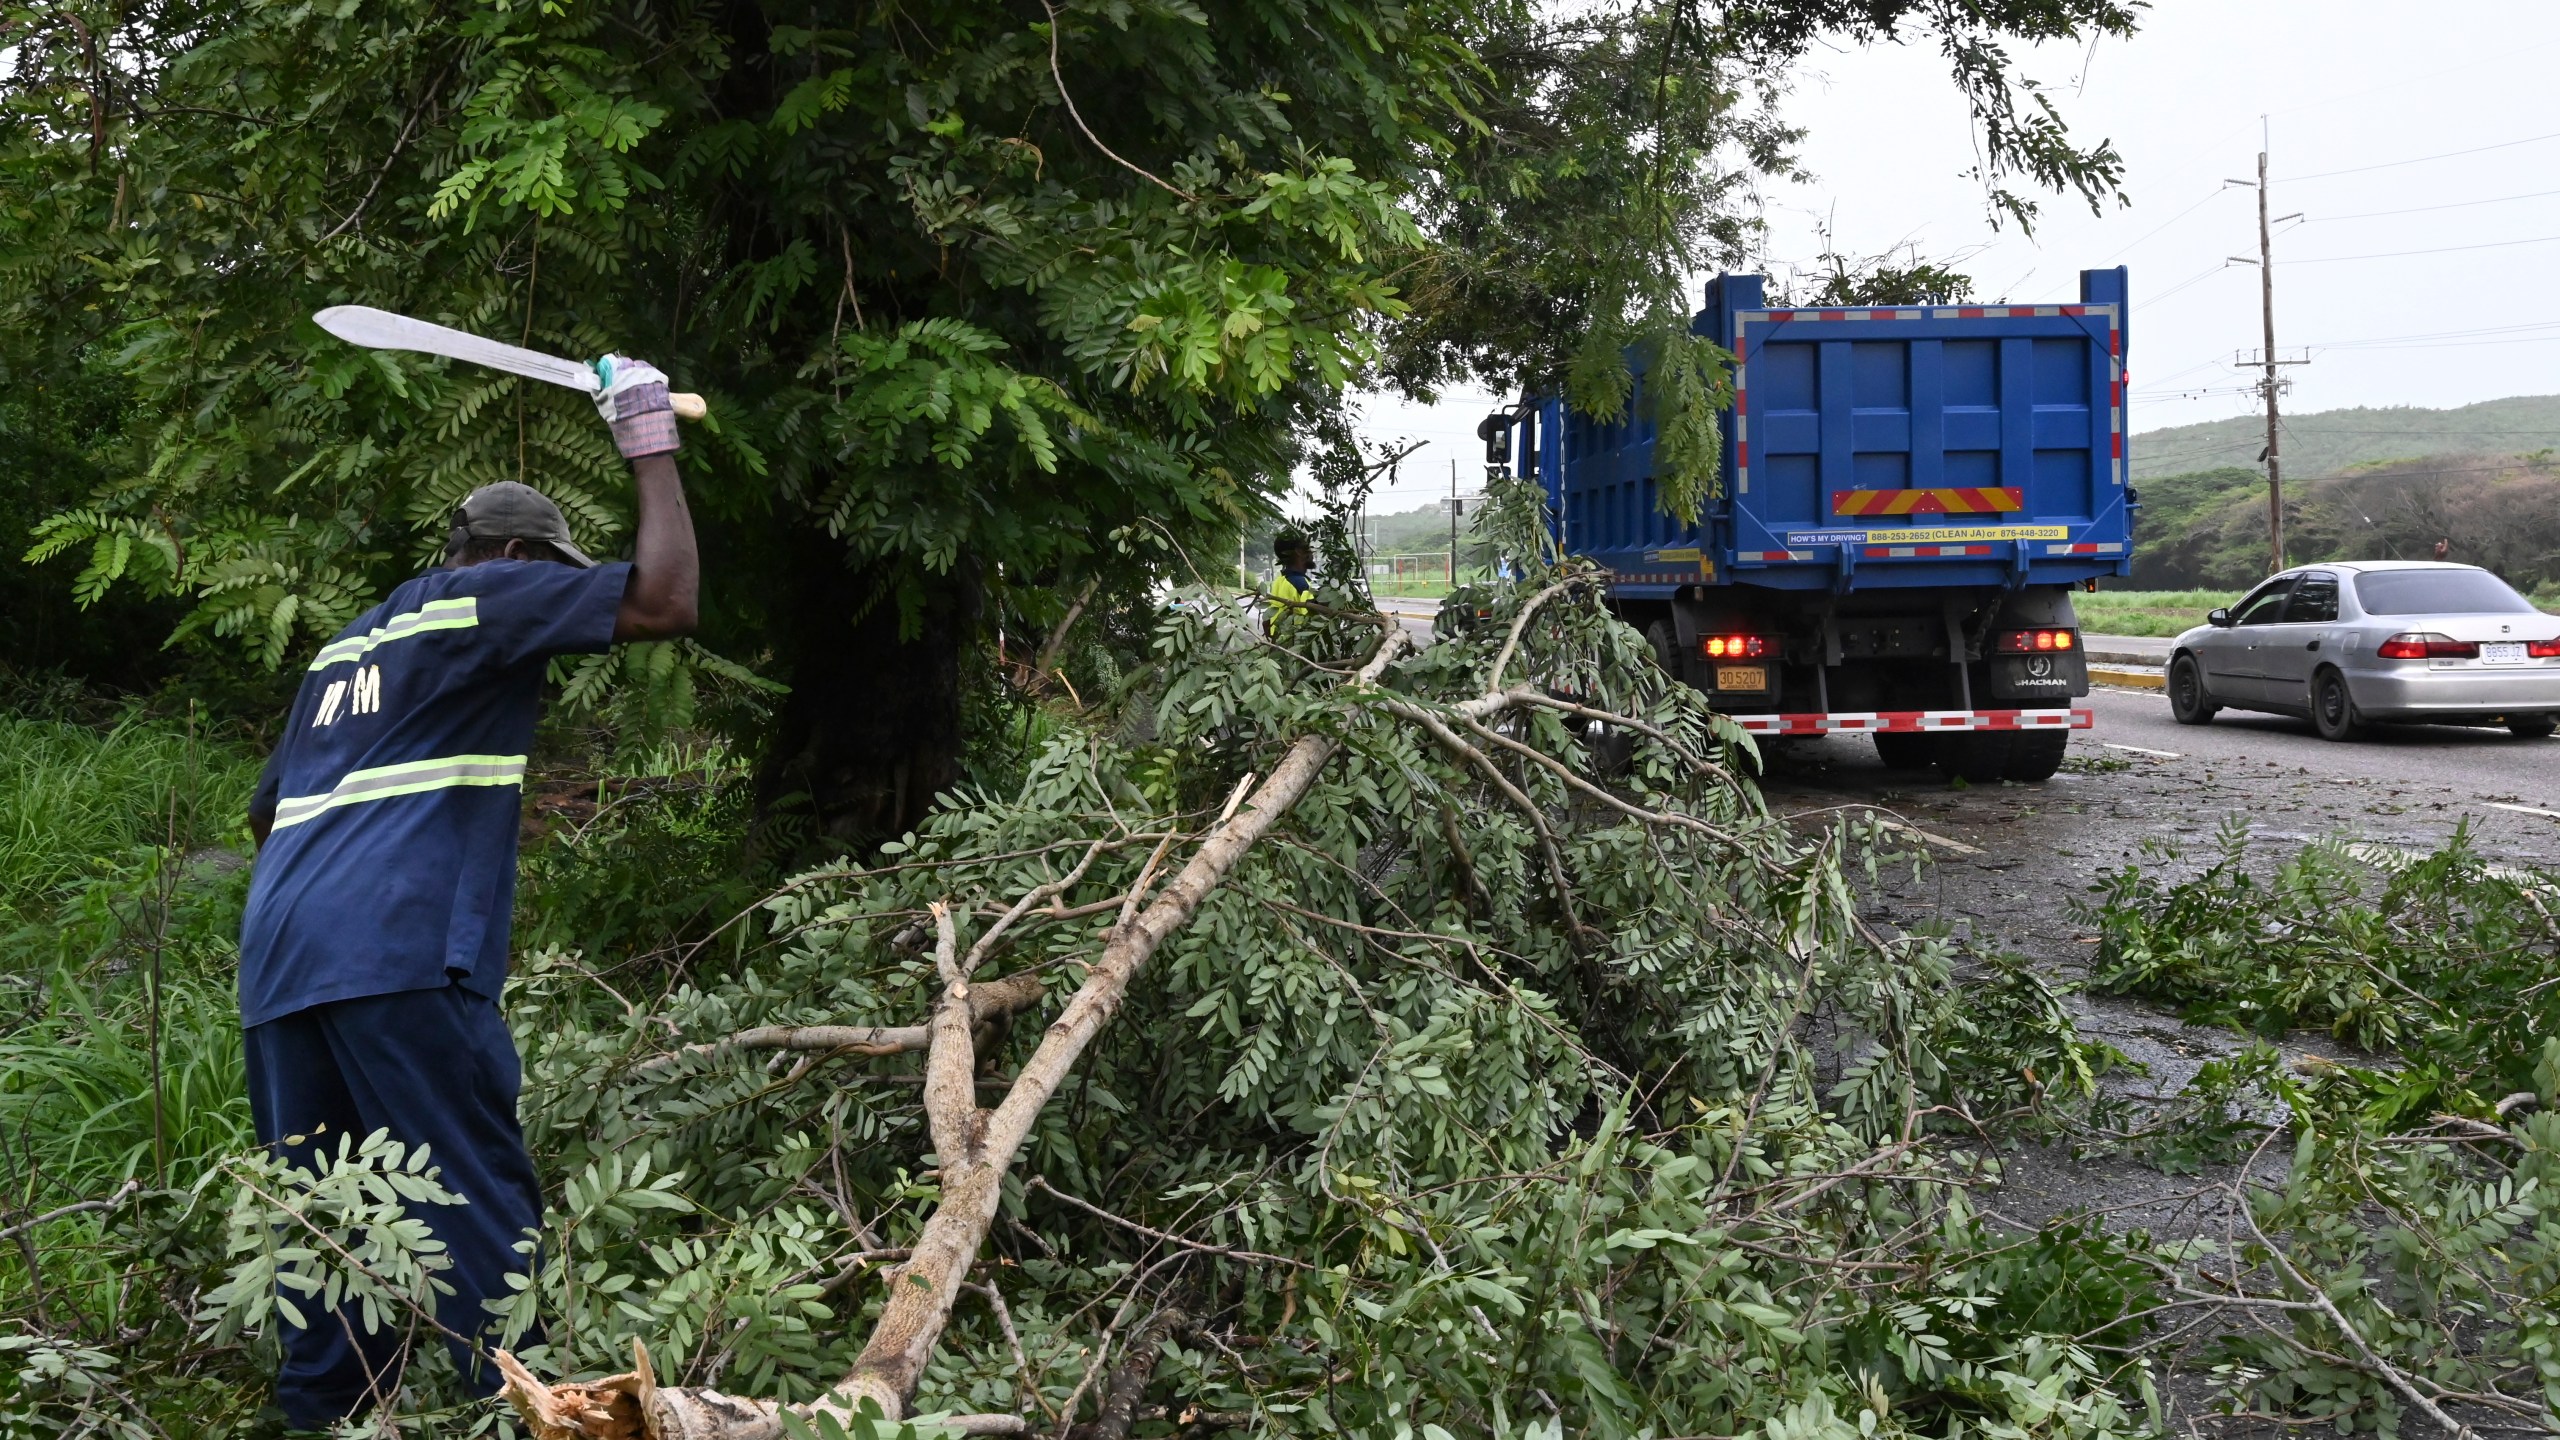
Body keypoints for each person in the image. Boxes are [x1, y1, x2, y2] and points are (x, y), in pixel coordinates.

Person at [238, 358, 698, 1428]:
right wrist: (647, 437)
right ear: (510, 558)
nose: (548, 602)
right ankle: (515, 1417)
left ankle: (324, 1422)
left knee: (327, 1233)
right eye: (548, 575)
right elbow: (665, 600)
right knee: (478, 1212)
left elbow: (267, 815)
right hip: (395, 952)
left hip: (281, 960)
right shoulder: (484, 597)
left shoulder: (345, 650)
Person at [1266, 530, 1315, 635]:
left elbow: (1268, 620)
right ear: (1298, 551)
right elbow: (1315, 611)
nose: (1311, 552)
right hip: (1295, 645)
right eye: (1308, 547)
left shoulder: (1279, 581)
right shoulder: (1300, 583)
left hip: (1279, 645)